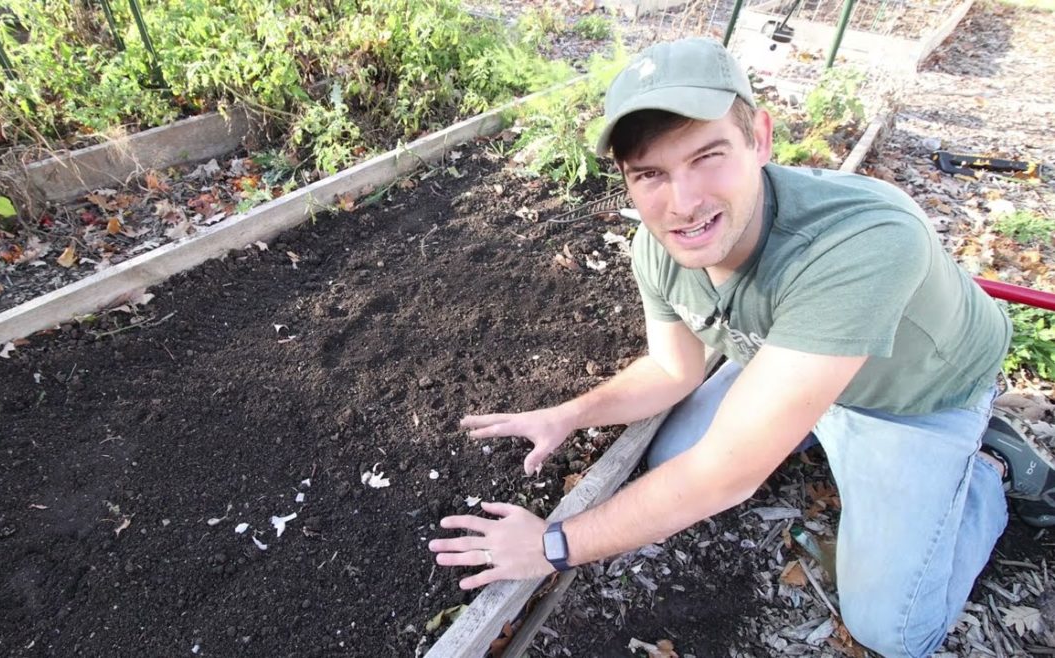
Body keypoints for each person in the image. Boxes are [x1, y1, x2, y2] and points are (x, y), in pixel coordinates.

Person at [427, 37, 1055, 658]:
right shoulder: (661, 244)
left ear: (759, 138)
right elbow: (675, 368)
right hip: (787, 360)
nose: (683, 202)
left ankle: (985, 472)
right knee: (669, 452)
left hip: (908, 399)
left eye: (707, 156)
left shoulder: (861, 241)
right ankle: (791, 420)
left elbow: (727, 475)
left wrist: (550, 545)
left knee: (892, 632)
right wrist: (568, 414)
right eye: (651, 173)